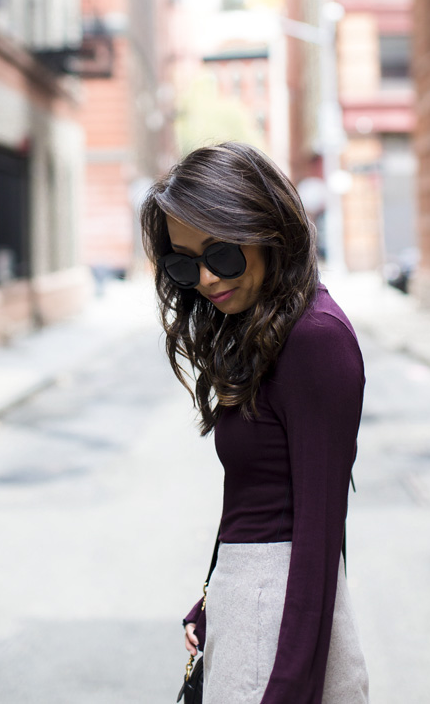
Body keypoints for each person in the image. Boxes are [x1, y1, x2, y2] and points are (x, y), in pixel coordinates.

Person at [140, 142, 369, 704]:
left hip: (276, 623)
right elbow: (250, 493)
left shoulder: (316, 338)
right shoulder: (266, 328)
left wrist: (289, 685)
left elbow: (319, 533)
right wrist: (210, 597)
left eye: (221, 253)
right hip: (248, 606)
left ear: (267, 229)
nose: (206, 279)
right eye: (182, 262)